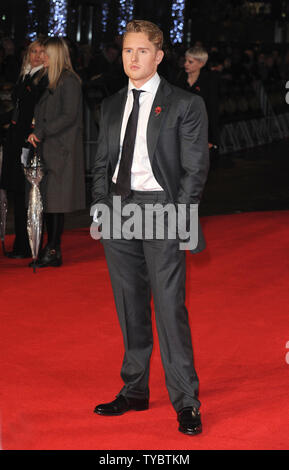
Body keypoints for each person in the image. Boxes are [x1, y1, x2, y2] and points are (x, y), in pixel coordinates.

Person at [92, 20, 209, 435]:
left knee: (169, 307)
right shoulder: (109, 106)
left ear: (158, 56)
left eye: (142, 51)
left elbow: (195, 171)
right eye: (127, 50)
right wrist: (100, 209)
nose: (133, 58)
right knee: (129, 305)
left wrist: (181, 217)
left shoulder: (183, 104)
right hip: (119, 210)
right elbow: (101, 165)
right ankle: (135, 389)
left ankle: (186, 400)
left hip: (162, 209)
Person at [28, 37, 85, 267]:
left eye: (46, 54)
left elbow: (68, 116)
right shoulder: (51, 79)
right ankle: (51, 249)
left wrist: (41, 131)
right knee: (50, 203)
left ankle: (53, 249)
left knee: (56, 203)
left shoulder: (68, 82)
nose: (41, 57)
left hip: (61, 150)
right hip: (51, 149)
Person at [0, 39, 47, 258]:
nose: (36, 55)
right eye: (33, 51)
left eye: (41, 52)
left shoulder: (44, 79)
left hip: (29, 141)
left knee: (27, 194)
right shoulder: (26, 76)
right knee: (17, 193)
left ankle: (27, 244)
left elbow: (35, 113)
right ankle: (21, 243)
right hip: (15, 139)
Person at [177, 46, 220, 169]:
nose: (186, 64)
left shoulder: (208, 82)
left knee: (195, 169)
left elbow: (212, 110)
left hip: (199, 130)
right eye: (185, 60)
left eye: (190, 62)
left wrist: (212, 139)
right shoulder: (180, 78)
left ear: (201, 63)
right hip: (181, 130)